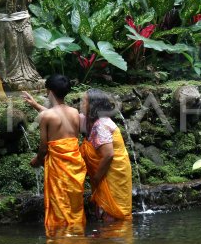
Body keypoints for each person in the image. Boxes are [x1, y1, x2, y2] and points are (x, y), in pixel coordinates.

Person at [22, 75, 86, 235]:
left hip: (58, 166)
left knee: (59, 202)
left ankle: (60, 235)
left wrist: (37, 160)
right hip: (74, 164)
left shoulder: (47, 117)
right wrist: (36, 105)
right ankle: (76, 232)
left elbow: (43, 148)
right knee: (73, 202)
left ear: (49, 92)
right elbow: (60, 117)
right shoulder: (74, 111)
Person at [79, 89, 132, 221]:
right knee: (108, 209)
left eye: (83, 102)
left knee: (112, 212)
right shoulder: (94, 121)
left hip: (112, 172)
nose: (80, 105)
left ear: (93, 105)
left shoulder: (101, 125)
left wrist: (96, 178)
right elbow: (62, 116)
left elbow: (108, 155)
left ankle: (114, 237)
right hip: (109, 170)